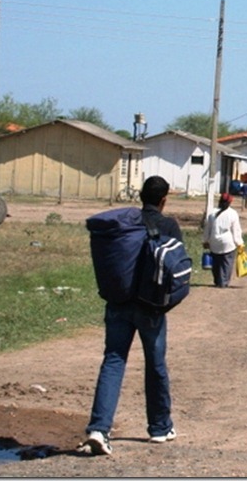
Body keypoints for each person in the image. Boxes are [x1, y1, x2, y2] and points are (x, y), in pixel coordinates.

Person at [81, 175, 180, 456]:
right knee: (155, 364)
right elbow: (175, 267)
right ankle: (160, 427)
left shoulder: (125, 225)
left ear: (140, 196)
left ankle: (99, 428)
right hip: (151, 309)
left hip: (118, 304)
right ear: (164, 199)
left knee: (113, 361)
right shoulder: (168, 225)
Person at [203, 192, 244, 288]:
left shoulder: (212, 213)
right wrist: (239, 242)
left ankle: (217, 281)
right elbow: (236, 230)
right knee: (227, 263)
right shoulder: (233, 214)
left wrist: (205, 240)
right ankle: (224, 281)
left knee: (216, 263)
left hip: (214, 242)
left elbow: (207, 228)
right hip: (227, 243)